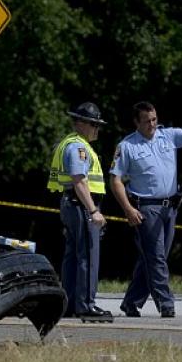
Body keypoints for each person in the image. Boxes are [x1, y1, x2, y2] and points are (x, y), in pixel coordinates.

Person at [110, 101, 182, 318]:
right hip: (146, 209)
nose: (152, 124)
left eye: (154, 119)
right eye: (147, 121)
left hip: (170, 207)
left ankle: (131, 302)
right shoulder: (127, 146)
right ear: (136, 122)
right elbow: (115, 180)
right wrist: (127, 209)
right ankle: (166, 302)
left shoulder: (168, 135)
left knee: (153, 257)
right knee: (156, 258)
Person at [47, 102, 112, 320]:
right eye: (94, 124)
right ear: (81, 124)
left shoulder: (71, 143)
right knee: (88, 256)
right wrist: (93, 210)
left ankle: (72, 303)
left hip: (72, 204)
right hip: (81, 205)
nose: (97, 129)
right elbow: (79, 180)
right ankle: (86, 305)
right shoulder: (79, 147)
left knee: (73, 257)